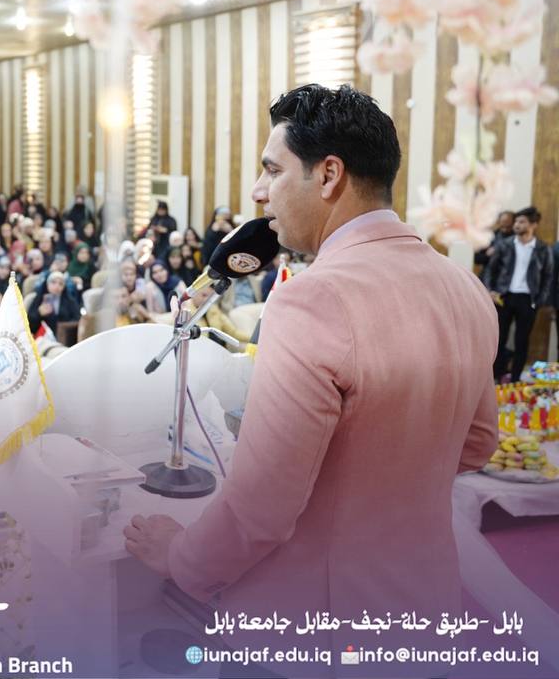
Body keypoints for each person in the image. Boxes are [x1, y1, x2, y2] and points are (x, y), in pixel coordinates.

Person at [124, 84, 498, 629]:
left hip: (315, 631)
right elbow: (477, 443)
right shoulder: (465, 287)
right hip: (427, 610)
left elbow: (262, 509)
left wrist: (181, 556)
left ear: (328, 175)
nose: (259, 192)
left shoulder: (311, 299)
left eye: (272, 170)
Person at [483, 206, 551, 382]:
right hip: (504, 297)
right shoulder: (505, 245)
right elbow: (491, 269)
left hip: (528, 300)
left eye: (522, 222)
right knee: (499, 339)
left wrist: (539, 301)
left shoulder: (542, 249)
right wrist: (490, 290)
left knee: (522, 341)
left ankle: (515, 379)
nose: (517, 225)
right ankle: (495, 377)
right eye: (516, 221)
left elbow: (548, 276)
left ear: (533, 225)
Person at [27, 271, 80, 335]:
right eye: (53, 282)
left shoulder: (70, 301)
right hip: (42, 337)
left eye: (61, 284)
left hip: (64, 336)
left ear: (64, 287)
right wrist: (39, 313)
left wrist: (63, 325)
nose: (57, 286)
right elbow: (28, 325)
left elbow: (77, 320)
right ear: (47, 284)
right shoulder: (39, 299)